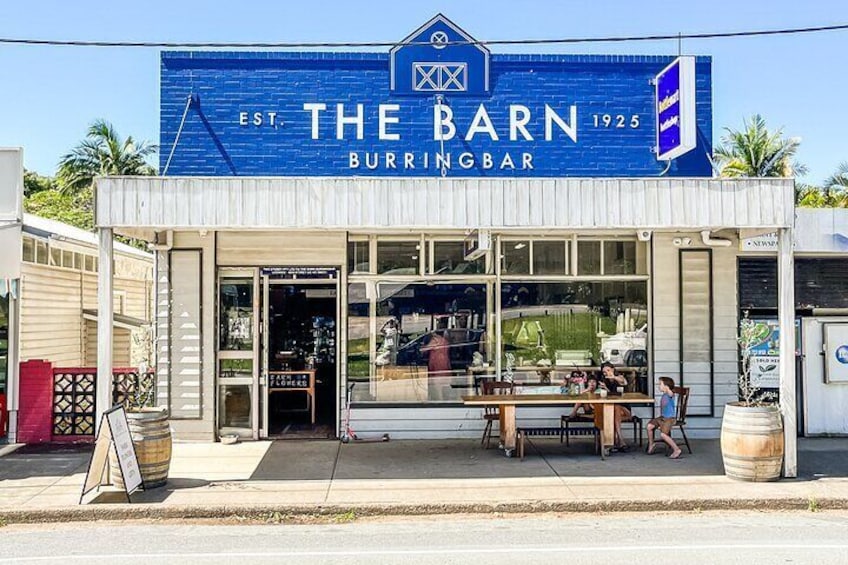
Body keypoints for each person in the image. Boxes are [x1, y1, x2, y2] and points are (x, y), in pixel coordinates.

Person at [599, 362, 631, 451]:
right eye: (604, 372)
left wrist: (613, 377)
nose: (606, 373)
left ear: (613, 369)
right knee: (610, 411)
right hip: (612, 410)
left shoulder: (619, 377)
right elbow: (611, 395)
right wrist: (605, 388)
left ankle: (618, 440)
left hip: (625, 410)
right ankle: (615, 441)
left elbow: (623, 381)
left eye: (608, 370)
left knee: (615, 407)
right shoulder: (606, 381)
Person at [647, 377, 682, 459]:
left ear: (666, 386)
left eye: (660, 384)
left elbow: (671, 393)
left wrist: (668, 389)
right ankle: (651, 444)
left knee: (663, 434)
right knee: (649, 426)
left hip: (670, 419)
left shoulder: (670, 394)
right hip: (662, 418)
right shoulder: (664, 394)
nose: (658, 386)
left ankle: (676, 449)